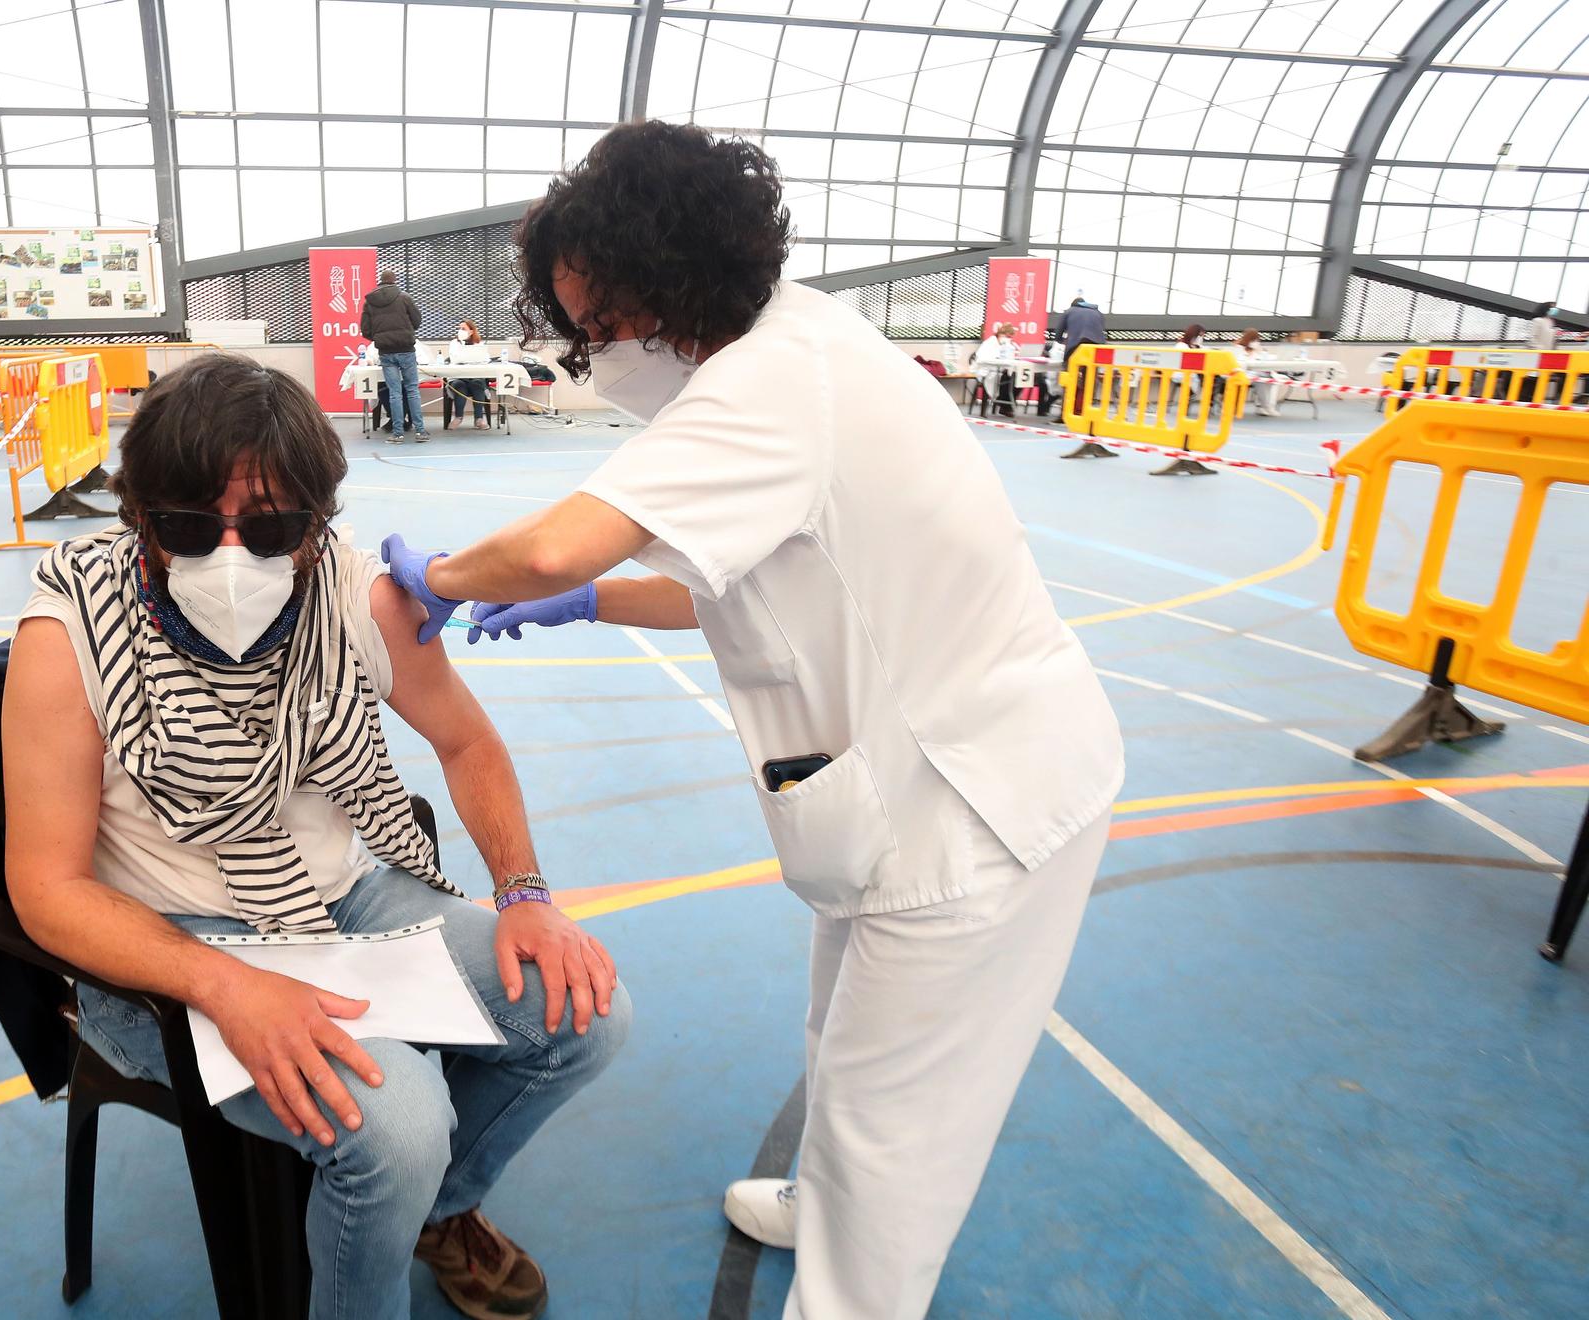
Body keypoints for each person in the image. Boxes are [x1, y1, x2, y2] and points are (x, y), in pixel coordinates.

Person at [378, 121, 1121, 1319]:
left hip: (977, 800)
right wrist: (591, 603)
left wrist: (447, 578)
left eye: (604, 323)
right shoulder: (791, 346)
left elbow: (557, 536)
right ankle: (822, 1198)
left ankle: (851, 1278)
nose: (594, 351)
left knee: (898, 1129)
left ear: (672, 283)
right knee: (843, 1039)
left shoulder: (772, 379)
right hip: (900, 789)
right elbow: (730, 580)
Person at [1, 356, 629, 1320]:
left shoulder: (359, 597)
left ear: (318, 524)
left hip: (340, 900)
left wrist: (524, 895)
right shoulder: (70, 627)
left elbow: (467, 741)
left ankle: (431, 1210)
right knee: (399, 1127)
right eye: (185, 527)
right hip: (169, 941)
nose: (230, 559)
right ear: (137, 519)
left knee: (584, 1012)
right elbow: (46, 888)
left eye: (271, 529)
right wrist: (229, 984)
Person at [362, 271, 429, 442]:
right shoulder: (404, 297)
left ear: (380, 281)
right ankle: (420, 432)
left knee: (394, 393)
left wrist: (379, 338)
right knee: (412, 390)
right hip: (406, 349)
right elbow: (417, 320)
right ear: (394, 281)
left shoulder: (370, 301)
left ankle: (397, 433)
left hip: (385, 351)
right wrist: (406, 333)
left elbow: (365, 329)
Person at [1053, 297, 1108, 419]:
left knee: (1069, 379)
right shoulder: (1098, 313)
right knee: (1090, 381)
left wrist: (1064, 342)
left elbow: (1057, 334)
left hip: (1076, 348)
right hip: (1096, 350)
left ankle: (1064, 415)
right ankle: (1085, 413)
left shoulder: (1069, 311)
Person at [445, 320, 494, 429]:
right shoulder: (454, 343)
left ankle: (479, 419)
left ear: (471, 331)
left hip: (475, 377)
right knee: (460, 385)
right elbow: (455, 358)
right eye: (459, 328)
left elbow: (485, 359)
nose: (460, 331)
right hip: (457, 377)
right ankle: (458, 418)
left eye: (463, 329)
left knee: (478, 383)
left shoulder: (479, 344)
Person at [1229, 328, 1281, 417]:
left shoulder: (1257, 348)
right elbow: (1240, 362)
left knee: (1270, 379)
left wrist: (1259, 351)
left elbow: (1264, 359)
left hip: (1255, 374)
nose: (1256, 341)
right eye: (1255, 339)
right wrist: (1251, 353)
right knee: (1262, 380)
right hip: (1242, 373)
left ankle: (1263, 406)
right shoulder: (1238, 348)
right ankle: (1266, 407)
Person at [973, 321, 1020, 416]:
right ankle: (1004, 404)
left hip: (1000, 370)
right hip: (987, 371)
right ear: (1001, 334)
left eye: (1010, 337)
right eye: (1008, 336)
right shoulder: (989, 343)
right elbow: (982, 359)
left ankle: (1004, 404)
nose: (1009, 339)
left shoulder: (1006, 345)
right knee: (1007, 378)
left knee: (1018, 378)